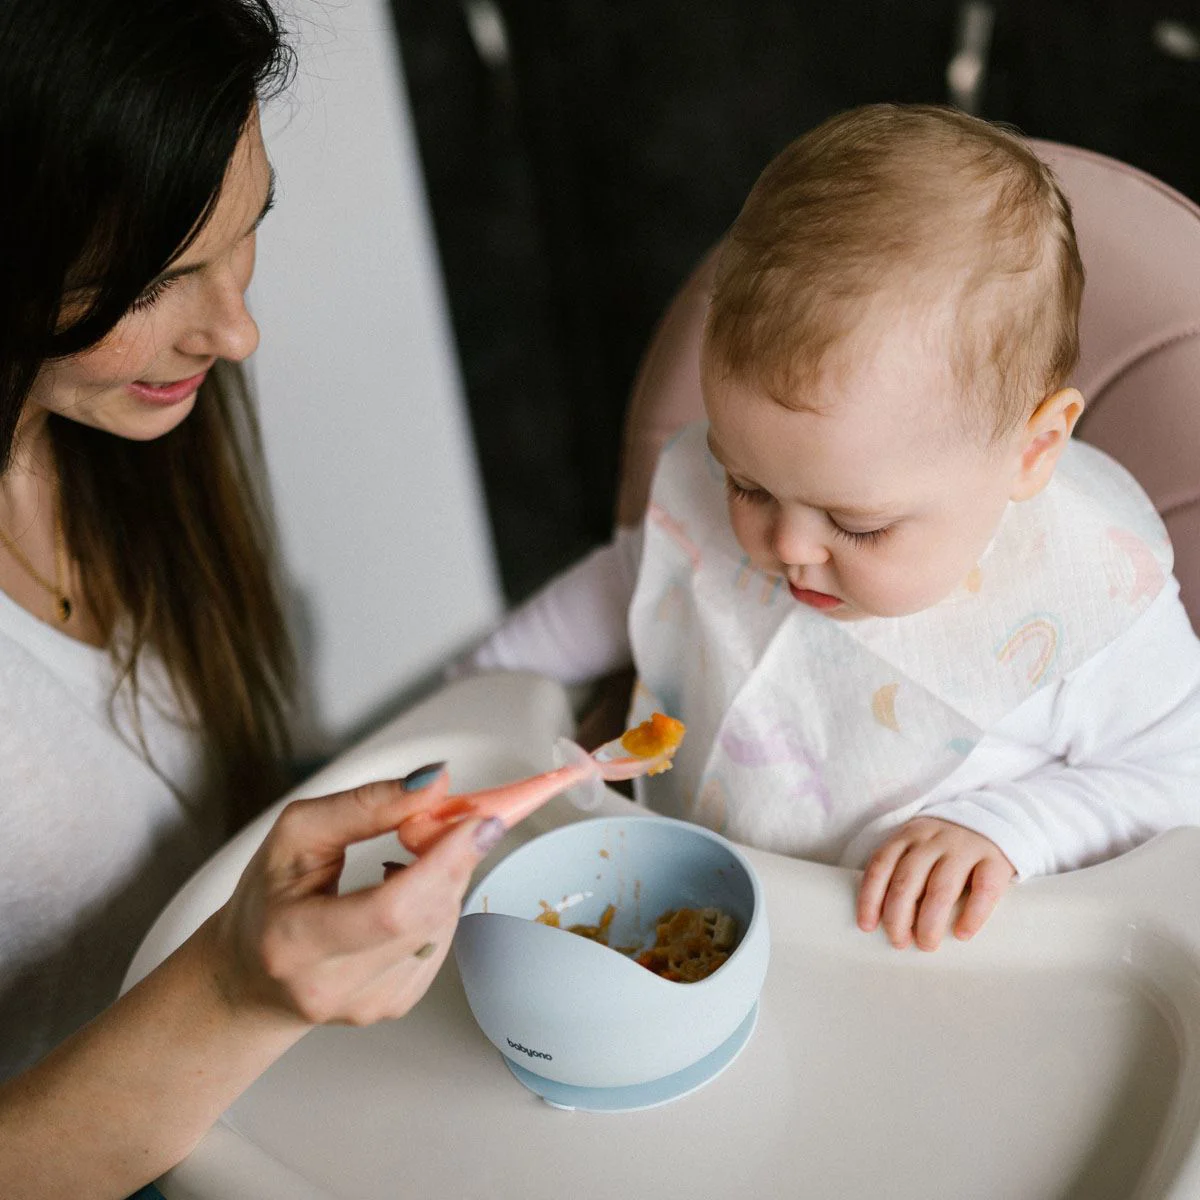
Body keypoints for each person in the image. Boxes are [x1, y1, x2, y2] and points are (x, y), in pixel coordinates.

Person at [462, 104, 1200, 953]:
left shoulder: (1090, 602)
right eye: (747, 483)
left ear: (1033, 451)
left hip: (926, 969)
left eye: (859, 526)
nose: (787, 546)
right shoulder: (751, 499)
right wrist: (482, 690)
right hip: (694, 917)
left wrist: (1013, 828)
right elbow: (639, 576)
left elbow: (1182, 778)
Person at [0, 2, 510, 1195]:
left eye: (248, 229)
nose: (238, 330)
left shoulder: (116, 435)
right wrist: (234, 987)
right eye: (154, 280)